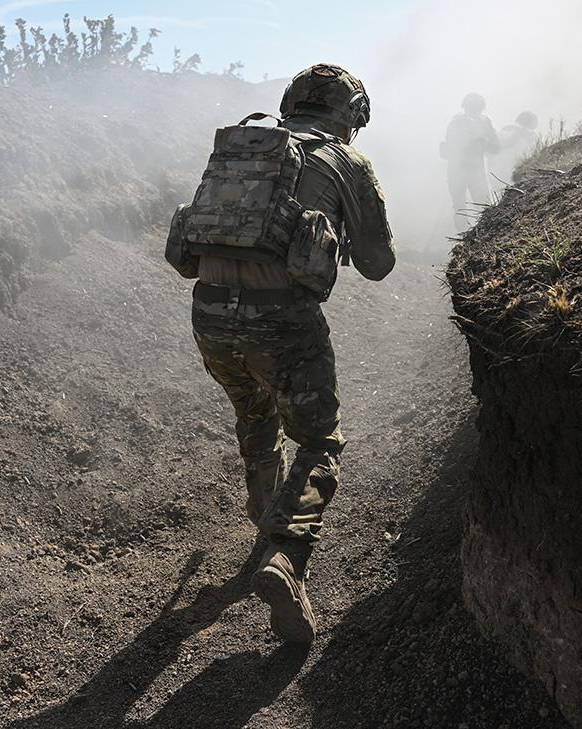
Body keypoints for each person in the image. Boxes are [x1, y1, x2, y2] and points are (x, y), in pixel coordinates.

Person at [166, 63, 395, 643]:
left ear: (292, 101)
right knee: (320, 440)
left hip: (210, 312)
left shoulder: (244, 146)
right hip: (285, 321)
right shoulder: (346, 161)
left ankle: (262, 507)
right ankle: (286, 558)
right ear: (353, 114)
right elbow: (378, 264)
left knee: (253, 408)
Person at [440, 92, 499, 231]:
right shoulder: (484, 121)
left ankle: (465, 238)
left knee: (461, 206)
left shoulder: (455, 121)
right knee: (481, 205)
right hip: (472, 169)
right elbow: (495, 146)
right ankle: (482, 236)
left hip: (458, 169)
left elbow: (448, 147)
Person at [490, 110, 540, 189]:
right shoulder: (508, 129)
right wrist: (517, 134)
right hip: (502, 167)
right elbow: (501, 143)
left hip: (518, 168)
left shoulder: (532, 135)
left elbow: (534, 150)